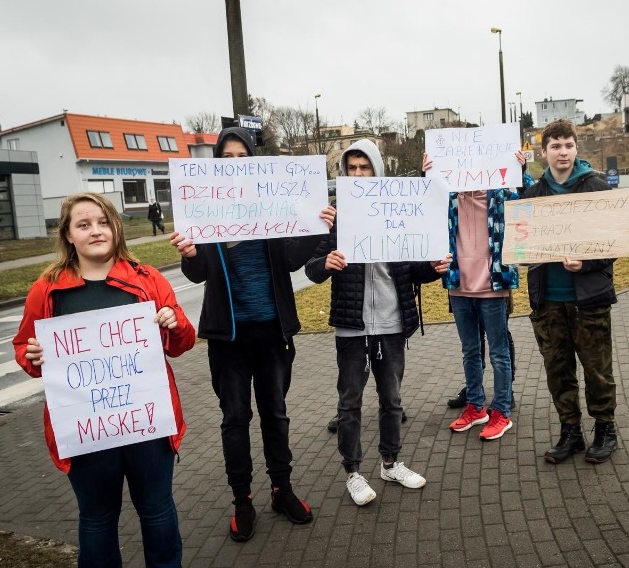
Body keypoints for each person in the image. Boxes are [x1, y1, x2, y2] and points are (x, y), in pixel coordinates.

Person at [170, 127, 336, 541]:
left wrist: (317, 227)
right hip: (228, 337)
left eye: (243, 157)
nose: (235, 165)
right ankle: (242, 500)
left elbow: (295, 262)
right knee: (235, 419)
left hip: (272, 331)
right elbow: (199, 273)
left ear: (255, 163)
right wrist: (189, 254)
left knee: (275, 415)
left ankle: (282, 490)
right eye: (226, 158)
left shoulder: (273, 207)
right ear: (216, 166)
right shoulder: (207, 211)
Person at [13, 192, 195, 567]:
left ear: (115, 227)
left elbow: (182, 343)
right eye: (83, 224)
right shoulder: (46, 289)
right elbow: (26, 351)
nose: (95, 231)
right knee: (97, 519)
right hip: (85, 429)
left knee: (157, 510)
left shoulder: (147, 278)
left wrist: (174, 324)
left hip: (147, 423)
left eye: (102, 222)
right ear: (68, 235)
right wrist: (33, 356)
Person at [306, 139, 451, 505]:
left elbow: (413, 267)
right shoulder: (333, 218)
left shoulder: (398, 209)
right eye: (351, 169)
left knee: (392, 399)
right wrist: (326, 264)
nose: (358, 174)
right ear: (343, 174)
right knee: (349, 401)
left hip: (391, 322)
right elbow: (310, 267)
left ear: (376, 170)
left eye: (364, 167)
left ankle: (390, 462)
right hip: (352, 326)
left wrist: (433, 268)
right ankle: (353, 472)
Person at [521, 120, 620, 465]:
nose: (562, 152)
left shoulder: (595, 186)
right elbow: (521, 245)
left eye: (568, 145)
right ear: (544, 151)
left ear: (576, 148)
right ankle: (570, 431)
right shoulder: (533, 193)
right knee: (558, 370)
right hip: (548, 301)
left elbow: (614, 240)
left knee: (597, 369)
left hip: (588, 300)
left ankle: (605, 428)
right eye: (555, 146)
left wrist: (588, 263)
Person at [421, 151, 524, 441]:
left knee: (498, 352)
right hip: (459, 285)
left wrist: (520, 168)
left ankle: (501, 411)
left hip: (493, 284)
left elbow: (527, 199)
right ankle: (476, 407)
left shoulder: (501, 193)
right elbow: (421, 209)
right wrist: (427, 174)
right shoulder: (447, 196)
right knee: (470, 351)